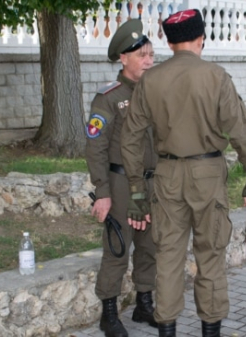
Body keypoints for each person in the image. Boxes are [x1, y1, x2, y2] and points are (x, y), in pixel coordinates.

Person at [120, 9, 246, 337]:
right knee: (210, 254)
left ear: (169, 43)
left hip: (166, 174)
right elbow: (241, 132)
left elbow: (129, 138)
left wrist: (136, 190)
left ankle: (167, 330)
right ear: (201, 38)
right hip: (207, 173)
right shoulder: (215, 76)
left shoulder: (150, 80)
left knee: (168, 256)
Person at [85, 19, 157, 337]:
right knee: (118, 248)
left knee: (150, 246)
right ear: (123, 58)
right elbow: (95, 148)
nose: (149, 61)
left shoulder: (154, 94)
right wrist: (102, 192)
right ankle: (109, 313)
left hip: (153, 184)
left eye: (151, 54)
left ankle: (144, 304)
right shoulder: (108, 99)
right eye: (142, 55)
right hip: (121, 185)